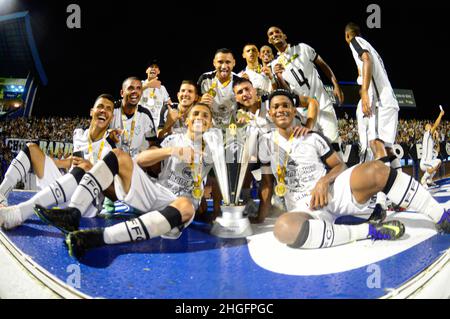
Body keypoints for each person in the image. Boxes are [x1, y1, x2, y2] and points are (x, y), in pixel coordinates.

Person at [259, 90, 450, 249]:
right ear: (269, 113)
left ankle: (441, 216)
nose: (281, 109)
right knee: (283, 229)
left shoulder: (312, 137)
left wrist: (324, 181)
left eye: (285, 105)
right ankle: (368, 231)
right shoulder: (265, 143)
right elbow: (267, 183)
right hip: (304, 207)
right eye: (275, 107)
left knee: (376, 169)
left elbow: (340, 165)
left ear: (294, 111)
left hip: (332, 192)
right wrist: (258, 218)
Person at [34, 103, 216, 258]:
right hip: (158, 193)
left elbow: (220, 180)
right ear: (186, 120)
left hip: (181, 205)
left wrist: (215, 210)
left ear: (211, 123)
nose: (200, 117)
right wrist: (172, 151)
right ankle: (72, 213)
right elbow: (141, 160)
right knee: (119, 155)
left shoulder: (215, 150)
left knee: (185, 204)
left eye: (205, 115)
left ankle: (98, 238)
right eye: (196, 113)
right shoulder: (173, 140)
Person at [0, 94, 116, 229]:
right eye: (100, 106)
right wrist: (55, 162)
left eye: (108, 109)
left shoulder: (110, 149)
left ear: (112, 117)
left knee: (84, 168)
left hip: (87, 206)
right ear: (92, 111)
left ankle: (19, 214)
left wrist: (92, 170)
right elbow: (71, 162)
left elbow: (114, 193)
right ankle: (1, 195)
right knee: (32, 149)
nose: (103, 110)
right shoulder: (78, 134)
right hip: (65, 190)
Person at [233, 80, 316, 223]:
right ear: (236, 98)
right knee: (242, 156)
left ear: (255, 89)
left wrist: (308, 126)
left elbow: (312, 102)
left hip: (300, 147)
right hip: (277, 155)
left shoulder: (274, 99)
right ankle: (250, 201)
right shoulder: (239, 116)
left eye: (247, 89)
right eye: (240, 92)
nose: (245, 94)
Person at [345, 22, 403, 215]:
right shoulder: (371, 45)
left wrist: (363, 94)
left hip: (380, 103)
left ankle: (381, 203)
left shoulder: (355, 41)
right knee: (387, 149)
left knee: (376, 145)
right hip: (389, 102)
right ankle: (401, 195)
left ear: (347, 36)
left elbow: (366, 59)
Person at [267, 26, 343, 154]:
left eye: (277, 32)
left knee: (333, 144)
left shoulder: (303, 48)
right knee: (315, 150)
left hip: (323, 103)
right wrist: (279, 77)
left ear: (284, 35)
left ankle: (341, 172)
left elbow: (323, 65)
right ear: (269, 40)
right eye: (271, 34)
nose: (274, 34)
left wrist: (336, 84)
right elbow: (288, 93)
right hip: (304, 112)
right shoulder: (274, 65)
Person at [110, 77, 158, 159]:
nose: (135, 91)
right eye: (130, 88)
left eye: (138, 88)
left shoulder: (145, 114)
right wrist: (108, 134)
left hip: (136, 164)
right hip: (113, 163)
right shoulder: (111, 110)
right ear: (122, 93)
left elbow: (152, 144)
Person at [197, 48, 242, 128]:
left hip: (232, 128)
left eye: (228, 62)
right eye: (220, 62)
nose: (224, 66)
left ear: (234, 63)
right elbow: (195, 104)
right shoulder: (205, 79)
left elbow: (244, 107)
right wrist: (201, 102)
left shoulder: (239, 81)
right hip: (210, 127)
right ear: (214, 63)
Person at [141, 61, 172, 128]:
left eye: (156, 67)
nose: (153, 69)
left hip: (157, 124)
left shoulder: (162, 88)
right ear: (146, 70)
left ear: (158, 72)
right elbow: (134, 92)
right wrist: (147, 85)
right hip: (141, 121)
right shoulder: (140, 84)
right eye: (151, 67)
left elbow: (170, 105)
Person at [420, 107, 445, 187]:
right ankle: (423, 179)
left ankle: (429, 180)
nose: (430, 126)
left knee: (438, 161)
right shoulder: (427, 134)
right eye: (428, 126)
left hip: (428, 162)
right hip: (424, 163)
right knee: (436, 163)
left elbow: (437, 150)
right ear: (426, 128)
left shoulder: (431, 140)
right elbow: (436, 124)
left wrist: (437, 139)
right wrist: (440, 115)